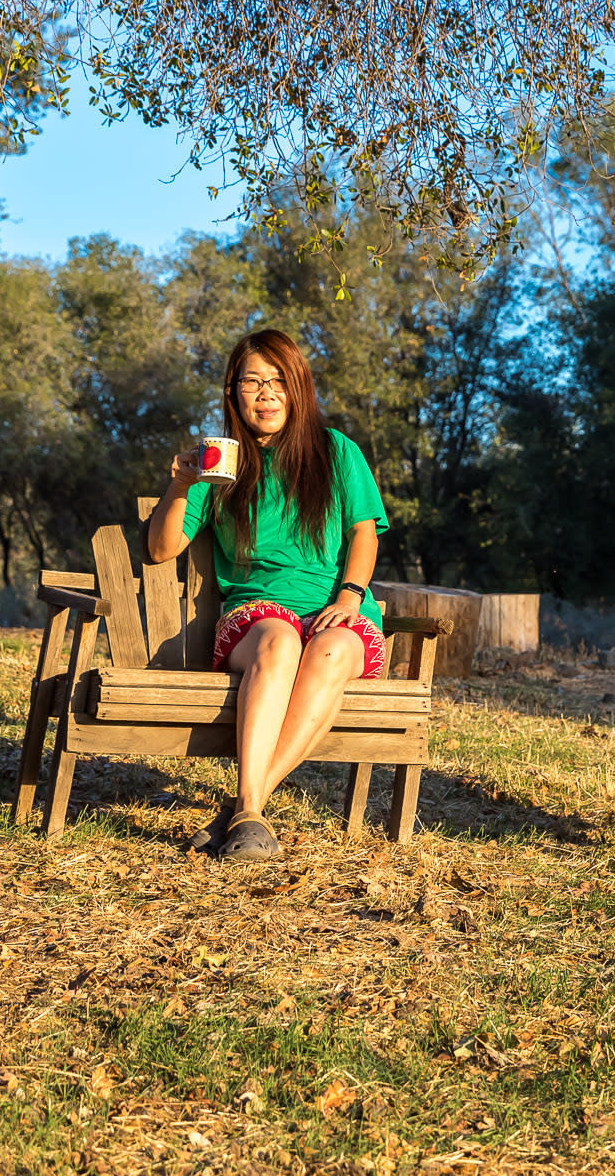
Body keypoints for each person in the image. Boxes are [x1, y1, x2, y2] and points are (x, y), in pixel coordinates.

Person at [144, 329, 390, 862]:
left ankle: (245, 808)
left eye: (278, 380)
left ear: (298, 387)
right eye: (252, 381)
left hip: (335, 610)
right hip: (258, 617)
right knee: (281, 642)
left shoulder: (337, 451)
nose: (266, 393)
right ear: (232, 391)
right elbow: (162, 549)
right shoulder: (220, 464)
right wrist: (182, 485)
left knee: (331, 649)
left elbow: (364, 533)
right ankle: (250, 810)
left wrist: (349, 597)